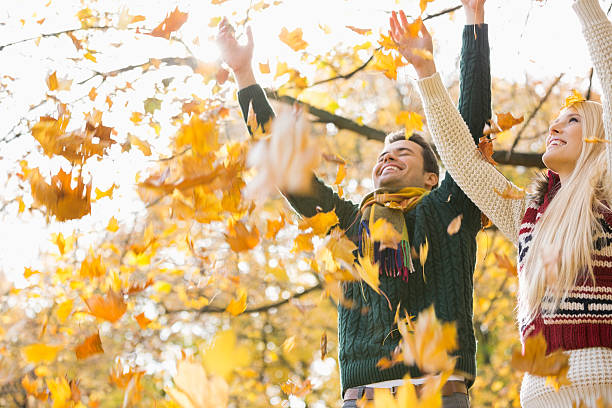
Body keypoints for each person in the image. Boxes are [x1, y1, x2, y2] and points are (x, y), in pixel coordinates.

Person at [217, 1, 490, 406]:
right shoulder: (351, 224)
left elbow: (469, 129)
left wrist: (472, 21)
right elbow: (287, 169)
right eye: (384, 153)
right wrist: (243, 74)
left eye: (404, 152)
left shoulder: (448, 206)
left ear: (432, 177)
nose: (388, 156)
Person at [390, 0, 612, 406]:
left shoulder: (608, 194)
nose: (555, 125)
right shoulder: (528, 214)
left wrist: (585, 6)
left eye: (574, 120)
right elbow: (461, 157)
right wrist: (426, 72)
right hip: (540, 395)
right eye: (558, 118)